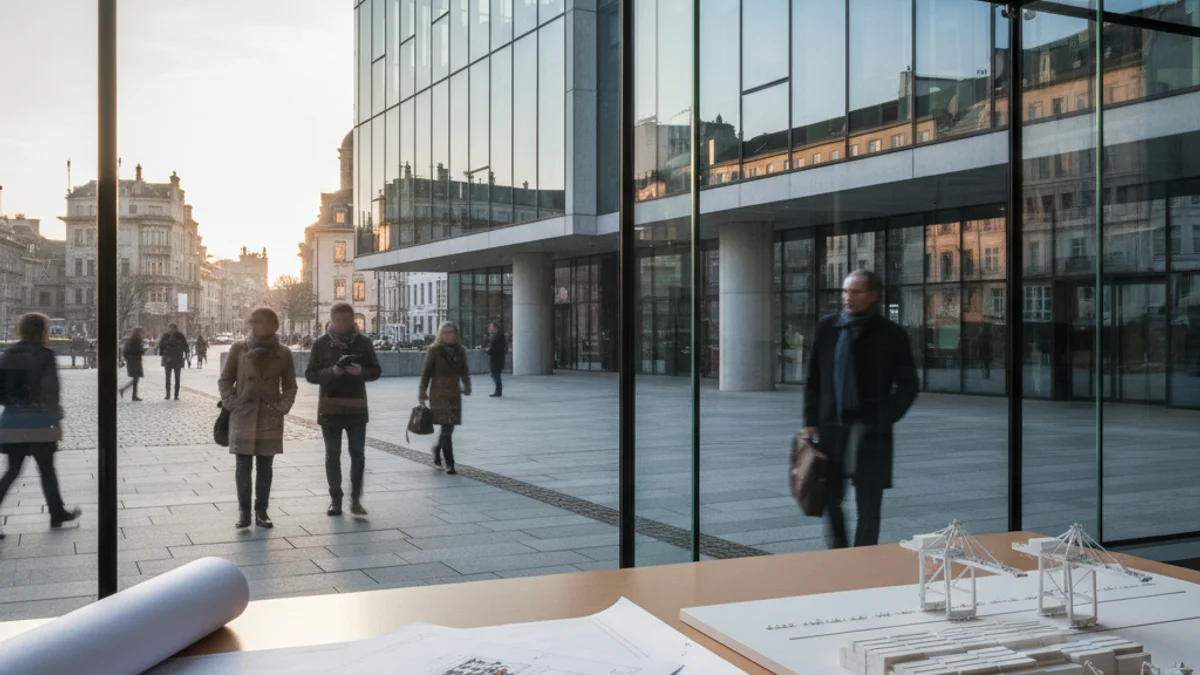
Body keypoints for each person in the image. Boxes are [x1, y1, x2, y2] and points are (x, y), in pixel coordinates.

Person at [803, 270, 918, 549]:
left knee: (869, 502)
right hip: (833, 428)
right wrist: (811, 420)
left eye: (856, 292)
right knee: (829, 498)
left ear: (873, 296)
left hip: (871, 430)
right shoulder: (828, 328)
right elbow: (814, 378)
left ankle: (864, 556)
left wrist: (886, 415)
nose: (847, 298)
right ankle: (840, 552)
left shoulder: (891, 334)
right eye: (845, 291)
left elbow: (909, 383)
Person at [0, 313, 82, 539]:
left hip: (13, 421)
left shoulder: (8, 354)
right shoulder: (45, 356)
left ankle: (58, 512)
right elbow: (51, 391)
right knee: (47, 470)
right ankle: (57, 513)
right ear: (43, 331)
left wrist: (15, 405)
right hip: (39, 422)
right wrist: (54, 413)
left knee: (12, 471)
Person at [218, 307, 297, 529]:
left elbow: (290, 385)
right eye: (253, 322)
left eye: (261, 322)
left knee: (265, 466)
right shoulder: (238, 349)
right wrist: (232, 404)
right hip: (243, 416)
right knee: (242, 465)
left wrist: (282, 406)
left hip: (269, 417)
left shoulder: (283, 353)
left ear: (274, 325)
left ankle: (261, 511)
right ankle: (244, 512)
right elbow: (225, 380)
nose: (256, 326)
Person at [305, 302, 382, 517]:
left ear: (352, 320)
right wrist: (332, 372)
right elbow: (310, 374)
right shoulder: (321, 344)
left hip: (357, 408)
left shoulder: (363, 343)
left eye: (345, 320)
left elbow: (376, 371)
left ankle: (356, 499)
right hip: (330, 409)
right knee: (332, 455)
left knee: (357, 453)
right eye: (337, 320)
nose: (341, 324)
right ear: (331, 320)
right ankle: (335, 499)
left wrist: (362, 372)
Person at [418, 321, 472, 475]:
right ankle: (450, 463)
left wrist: (467, 386)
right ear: (440, 335)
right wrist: (422, 393)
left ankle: (436, 449)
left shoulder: (461, 351)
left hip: (454, 394)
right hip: (439, 394)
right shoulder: (434, 350)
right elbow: (426, 373)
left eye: (453, 332)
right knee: (446, 427)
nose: (450, 335)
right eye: (446, 332)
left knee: (449, 427)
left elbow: (464, 371)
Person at [158, 323, 188, 400]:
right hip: (170, 359)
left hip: (176, 359)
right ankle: (168, 394)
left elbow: (185, 347)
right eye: (170, 328)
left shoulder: (180, 336)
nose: (171, 329)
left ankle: (175, 395)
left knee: (176, 378)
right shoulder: (166, 336)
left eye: (172, 328)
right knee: (169, 378)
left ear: (175, 328)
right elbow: (161, 347)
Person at [119, 327, 146, 401]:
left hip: (131, 360)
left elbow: (125, 351)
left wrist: (127, 358)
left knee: (135, 378)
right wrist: (142, 350)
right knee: (136, 378)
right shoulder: (137, 340)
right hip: (135, 360)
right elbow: (138, 350)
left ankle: (131, 394)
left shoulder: (130, 340)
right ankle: (130, 393)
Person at [484, 322, 506, 397]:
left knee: (495, 374)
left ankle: (498, 390)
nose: (490, 329)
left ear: (495, 328)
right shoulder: (493, 336)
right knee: (494, 374)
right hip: (495, 359)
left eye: (491, 327)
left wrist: (488, 351)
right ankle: (498, 390)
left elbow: (496, 348)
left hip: (497, 359)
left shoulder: (499, 337)